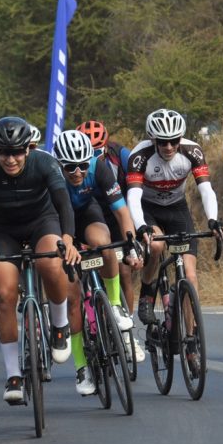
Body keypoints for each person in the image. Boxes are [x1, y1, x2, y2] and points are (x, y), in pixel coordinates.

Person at [0, 116, 80, 404]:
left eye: (17, 151)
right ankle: (13, 375)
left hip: (43, 222)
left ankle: (59, 325)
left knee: (51, 263)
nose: (11, 158)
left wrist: (67, 238)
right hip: (5, 231)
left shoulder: (44, 162)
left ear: (28, 149)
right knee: (4, 294)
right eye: (4, 151)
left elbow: (63, 201)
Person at [54, 129, 140, 395]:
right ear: (59, 165)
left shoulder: (99, 167)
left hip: (87, 213)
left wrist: (130, 242)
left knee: (105, 246)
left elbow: (122, 210)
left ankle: (114, 305)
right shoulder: (52, 176)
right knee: (73, 298)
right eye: (71, 168)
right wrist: (67, 245)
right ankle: (82, 368)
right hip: (57, 221)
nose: (78, 172)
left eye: (82, 165)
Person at [127, 109, 223, 334]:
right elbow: (133, 196)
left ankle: (192, 338)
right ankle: (147, 293)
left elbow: (206, 189)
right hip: (147, 209)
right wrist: (141, 225)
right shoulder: (140, 156)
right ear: (153, 139)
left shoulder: (192, 151)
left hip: (177, 208)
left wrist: (212, 220)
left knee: (190, 275)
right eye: (163, 142)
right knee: (156, 245)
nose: (169, 147)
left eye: (174, 141)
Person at [77, 119, 138, 319]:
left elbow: (135, 192)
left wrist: (133, 240)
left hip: (115, 213)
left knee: (125, 273)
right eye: (88, 153)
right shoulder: (77, 167)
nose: (92, 158)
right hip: (90, 216)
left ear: (105, 147)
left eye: (97, 152)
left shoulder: (121, 155)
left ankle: (127, 325)